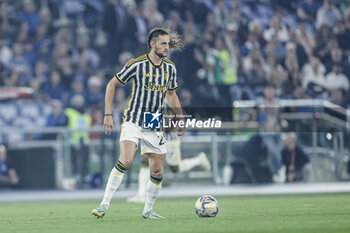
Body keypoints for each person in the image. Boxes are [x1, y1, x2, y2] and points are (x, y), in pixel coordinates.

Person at [92, 28, 185, 219]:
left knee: (158, 170)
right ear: (152, 44)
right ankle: (104, 204)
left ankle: (148, 210)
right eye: (163, 44)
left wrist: (180, 117)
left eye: (168, 44)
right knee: (126, 160)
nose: (167, 47)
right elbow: (112, 84)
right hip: (134, 117)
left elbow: (171, 94)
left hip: (154, 120)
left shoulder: (170, 68)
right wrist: (108, 114)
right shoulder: (137, 65)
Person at [127, 101, 211, 203]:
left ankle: (199, 160)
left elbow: (174, 120)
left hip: (170, 139)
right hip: (157, 137)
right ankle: (141, 195)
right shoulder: (149, 99)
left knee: (175, 168)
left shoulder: (165, 101)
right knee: (146, 161)